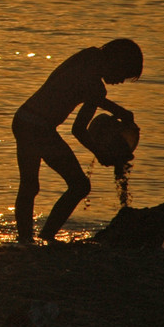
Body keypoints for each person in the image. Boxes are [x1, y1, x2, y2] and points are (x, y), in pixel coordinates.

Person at [13, 38, 143, 244]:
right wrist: (101, 151)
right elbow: (82, 119)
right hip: (38, 127)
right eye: (122, 75)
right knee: (79, 185)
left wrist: (116, 113)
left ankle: (26, 240)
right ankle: (42, 237)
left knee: (30, 185)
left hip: (24, 119)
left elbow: (80, 116)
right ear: (118, 62)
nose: (120, 81)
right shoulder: (91, 69)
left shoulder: (88, 60)